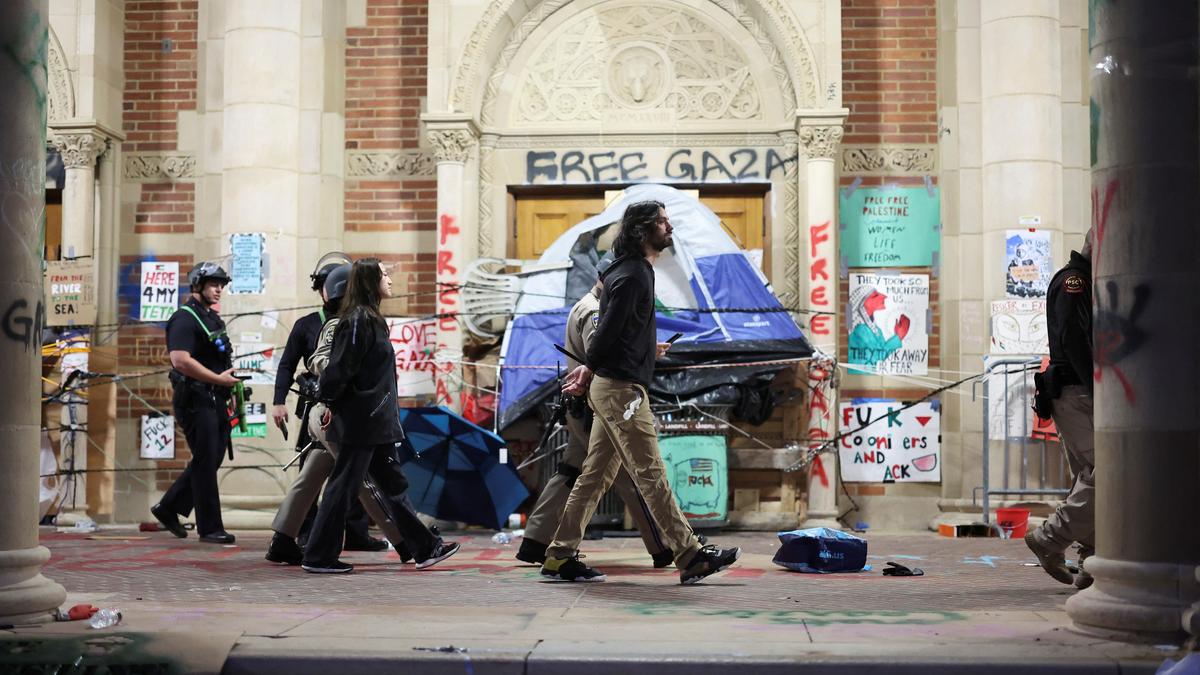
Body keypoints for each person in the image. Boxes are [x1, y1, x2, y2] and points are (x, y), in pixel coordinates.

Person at [542, 200, 741, 584]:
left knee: (595, 476)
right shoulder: (634, 274)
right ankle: (690, 554)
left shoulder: (626, 271)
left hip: (614, 386)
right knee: (651, 472)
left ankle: (558, 555)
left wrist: (649, 347)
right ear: (642, 229)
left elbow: (622, 330)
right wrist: (589, 369)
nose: (670, 228)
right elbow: (604, 334)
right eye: (663, 222)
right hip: (621, 391)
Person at [269, 263, 458, 570]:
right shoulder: (356, 321)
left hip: (376, 421)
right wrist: (329, 401)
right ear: (371, 281)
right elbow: (339, 369)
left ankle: (425, 548)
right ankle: (319, 556)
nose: (390, 280)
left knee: (393, 485)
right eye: (385, 275)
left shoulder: (370, 319)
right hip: (361, 422)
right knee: (343, 487)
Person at [517, 256, 673, 568]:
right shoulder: (593, 311)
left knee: (571, 471)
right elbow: (601, 358)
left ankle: (535, 541)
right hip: (596, 408)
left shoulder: (583, 305)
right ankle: (665, 546)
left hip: (582, 408)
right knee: (631, 475)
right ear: (605, 277)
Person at [270, 254, 383, 553]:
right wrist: (278, 401)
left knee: (338, 473)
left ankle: (354, 533)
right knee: (341, 473)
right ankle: (305, 534)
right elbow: (287, 365)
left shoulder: (354, 321)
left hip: (345, 407)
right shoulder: (310, 324)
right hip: (320, 409)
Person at [150, 262, 238, 544]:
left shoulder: (212, 318)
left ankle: (169, 507)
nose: (219, 290)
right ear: (198, 285)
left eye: (221, 285)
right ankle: (210, 527)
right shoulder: (184, 318)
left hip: (216, 397)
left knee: (212, 458)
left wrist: (228, 386)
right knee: (205, 460)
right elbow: (181, 360)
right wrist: (217, 379)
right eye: (214, 284)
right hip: (195, 398)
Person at [1027, 229, 1095, 590]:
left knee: (1089, 476)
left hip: (1075, 391)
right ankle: (1049, 539)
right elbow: (1074, 338)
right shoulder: (1075, 280)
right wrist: (1099, 389)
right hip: (1077, 390)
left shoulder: (1081, 279)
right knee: (1107, 473)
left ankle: (1091, 563)